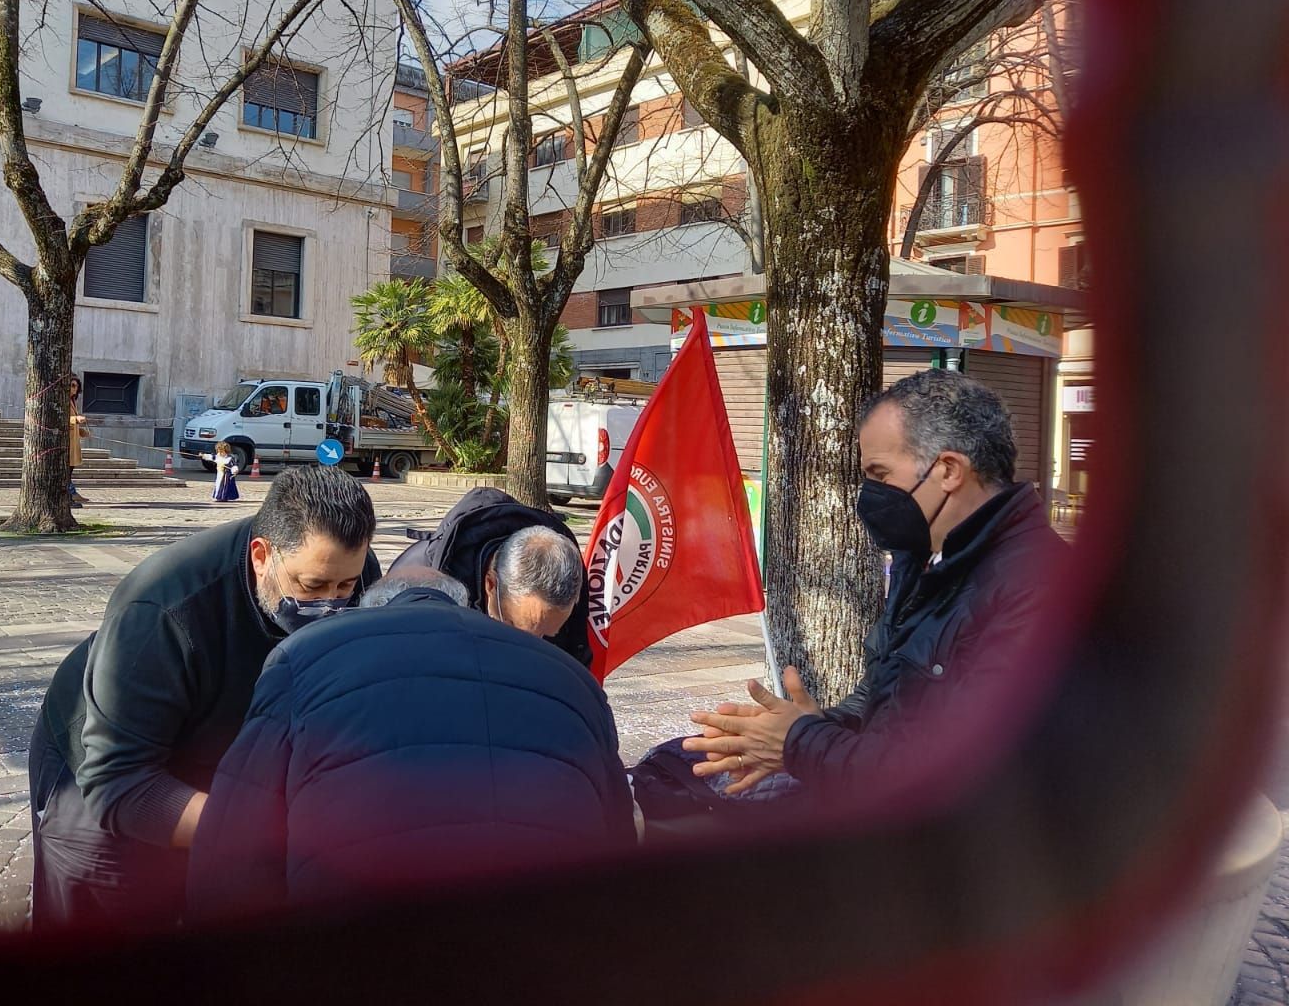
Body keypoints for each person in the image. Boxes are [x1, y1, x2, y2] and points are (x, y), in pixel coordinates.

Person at [680, 369, 1068, 796]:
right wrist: (808, 728)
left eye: (880, 475)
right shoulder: (922, 561)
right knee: (674, 771)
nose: (868, 494)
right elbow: (884, 698)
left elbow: (961, 772)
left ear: (949, 470)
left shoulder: (1042, 591)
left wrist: (801, 744)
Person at [28, 464, 382, 931]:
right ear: (261, 556)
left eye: (345, 587)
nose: (331, 604)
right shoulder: (161, 610)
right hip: (102, 772)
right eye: (311, 587)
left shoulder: (353, 569)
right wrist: (272, 829)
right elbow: (118, 785)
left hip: (220, 753)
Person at [186, 568, 636, 924]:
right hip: (548, 945)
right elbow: (620, 839)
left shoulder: (303, 655)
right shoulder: (572, 679)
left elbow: (233, 846)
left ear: (371, 610)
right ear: (464, 604)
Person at [390, 486, 593, 666]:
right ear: (491, 584)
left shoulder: (564, 595)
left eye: (548, 635)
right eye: (516, 628)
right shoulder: (414, 586)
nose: (533, 647)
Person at [68, 374, 89, 508]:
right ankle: (70, 495)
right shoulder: (63, 401)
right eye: (72, 386)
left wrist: (81, 431)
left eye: (76, 386)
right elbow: (60, 419)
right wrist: (75, 419)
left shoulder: (73, 402)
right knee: (66, 472)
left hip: (73, 443)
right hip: (66, 444)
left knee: (69, 471)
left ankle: (71, 494)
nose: (75, 389)